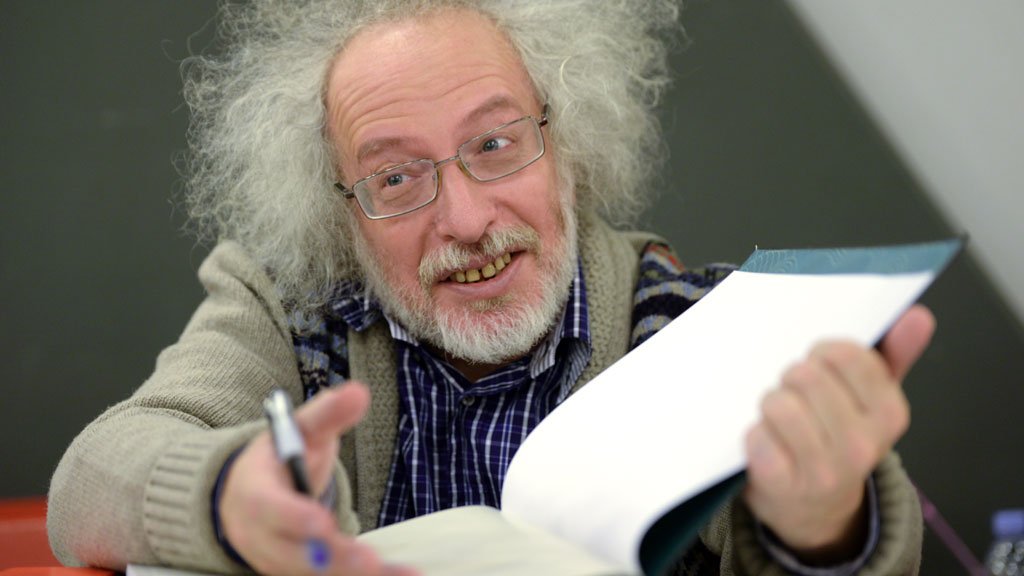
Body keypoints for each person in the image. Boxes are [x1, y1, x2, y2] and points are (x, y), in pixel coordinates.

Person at [47, 1, 933, 575]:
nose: (466, 219)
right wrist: (226, 496)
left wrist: (823, 525)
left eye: (497, 144)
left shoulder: (687, 325)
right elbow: (91, 478)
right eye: (396, 178)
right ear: (340, 212)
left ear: (567, 146)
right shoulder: (291, 311)